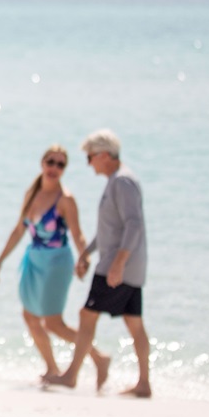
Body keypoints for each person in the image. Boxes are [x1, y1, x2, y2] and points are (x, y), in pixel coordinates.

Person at [0, 145, 110, 387]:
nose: (54, 168)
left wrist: (84, 257)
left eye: (60, 164)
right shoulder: (32, 193)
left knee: (53, 323)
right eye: (51, 162)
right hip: (33, 262)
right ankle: (52, 368)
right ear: (42, 163)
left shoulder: (65, 200)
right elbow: (18, 231)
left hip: (57, 264)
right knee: (30, 316)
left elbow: (77, 234)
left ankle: (99, 358)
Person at [46, 129, 151, 397]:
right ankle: (144, 384)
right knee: (134, 322)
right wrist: (86, 253)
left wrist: (118, 263)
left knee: (87, 315)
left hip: (117, 266)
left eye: (90, 157)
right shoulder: (117, 180)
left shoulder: (122, 182)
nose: (89, 163)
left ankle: (71, 375)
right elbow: (109, 230)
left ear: (104, 155)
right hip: (126, 265)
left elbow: (134, 225)